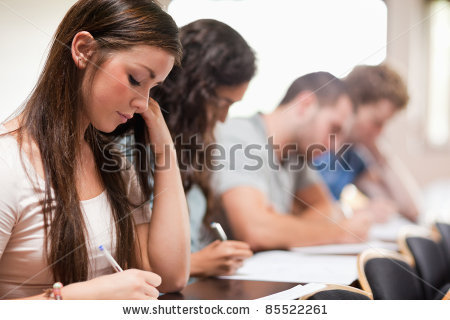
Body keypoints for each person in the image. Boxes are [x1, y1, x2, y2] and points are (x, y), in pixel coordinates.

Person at [0, 0, 190, 300]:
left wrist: (165, 149)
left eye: (153, 88)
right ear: (84, 50)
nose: (143, 102)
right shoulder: (7, 163)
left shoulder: (113, 164)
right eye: (135, 80)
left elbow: (168, 277)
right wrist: (76, 297)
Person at [212, 72, 373, 251]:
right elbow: (255, 231)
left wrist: (278, 226)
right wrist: (341, 232)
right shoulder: (240, 136)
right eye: (334, 128)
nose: (334, 147)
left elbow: (328, 210)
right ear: (305, 105)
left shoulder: (296, 155)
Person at [151, 19, 256, 277]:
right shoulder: (138, 140)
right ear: (194, 89)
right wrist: (195, 264)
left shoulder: (197, 142)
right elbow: (119, 261)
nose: (223, 118)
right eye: (222, 102)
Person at [316, 64, 420, 222]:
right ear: (351, 105)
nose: (381, 131)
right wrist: (354, 213)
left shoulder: (353, 158)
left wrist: (380, 154)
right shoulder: (315, 143)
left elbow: (412, 210)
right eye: (377, 122)